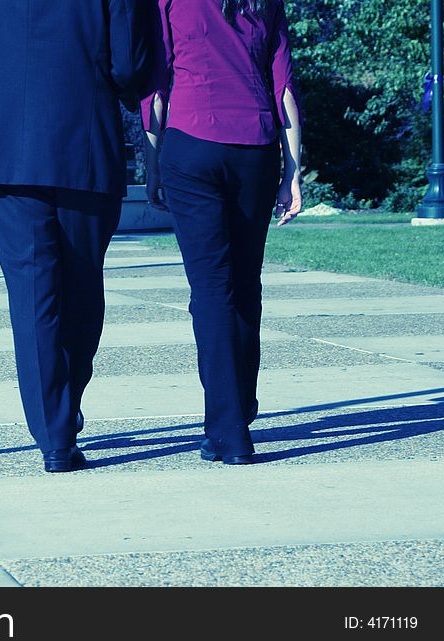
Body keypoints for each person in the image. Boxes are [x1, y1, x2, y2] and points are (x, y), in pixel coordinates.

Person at [0, 0, 153, 472]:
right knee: (82, 289)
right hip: (83, 141)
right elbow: (129, 64)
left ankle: (55, 434)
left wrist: (15, 79)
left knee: (33, 298)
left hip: (8, 144)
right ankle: (63, 406)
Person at [142, 0, 302, 465]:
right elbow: (284, 87)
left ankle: (228, 428)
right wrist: (293, 171)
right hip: (254, 146)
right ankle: (240, 410)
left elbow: (157, 88)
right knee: (246, 283)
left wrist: (152, 164)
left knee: (213, 289)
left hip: (190, 142)